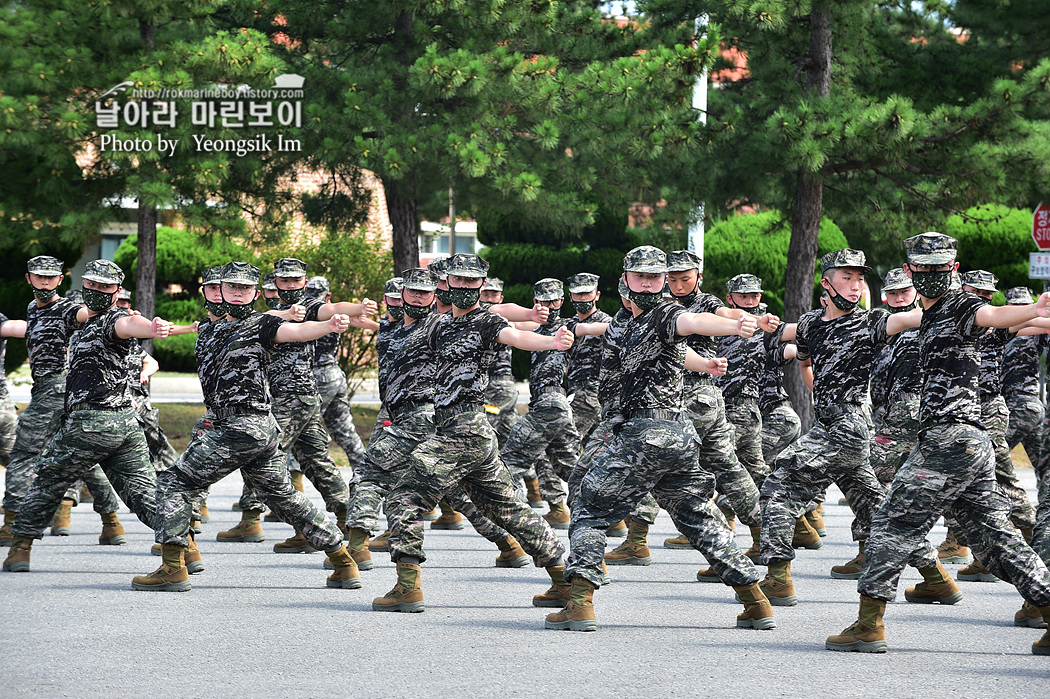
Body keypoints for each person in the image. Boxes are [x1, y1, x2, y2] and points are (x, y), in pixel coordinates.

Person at [826, 232, 1050, 656]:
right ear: (911, 270)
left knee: (891, 522)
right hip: (968, 442)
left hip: (951, 439)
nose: (931, 276)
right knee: (993, 538)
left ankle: (868, 625)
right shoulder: (927, 316)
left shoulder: (959, 304)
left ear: (954, 270)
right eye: (923, 269)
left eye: (940, 268)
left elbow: (995, 314)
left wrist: (1032, 309)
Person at [546, 245, 775, 632]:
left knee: (588, 506)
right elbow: (675, 353)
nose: (649, 284)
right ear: (625, 280)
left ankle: (579, 604)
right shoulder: (625, 322)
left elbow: (693, 323)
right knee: (696, 515)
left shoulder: (666, 312)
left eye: (656, 277)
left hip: (646, 434)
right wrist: (706, 364)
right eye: (642, 277)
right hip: (673, 437)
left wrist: (736, 324)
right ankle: (756, 602)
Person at [132, 261, 361, 592]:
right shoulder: (211, 329)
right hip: (249, 426)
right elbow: (194, 329)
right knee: (282, 496)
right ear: (219, 290)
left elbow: (296, 331)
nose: (237, 294)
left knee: (173, 482)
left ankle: (172, 568)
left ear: (257, 293)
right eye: (231, 287)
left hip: (244, 425)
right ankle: (343, 561)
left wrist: (328, 326)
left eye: (245, 288)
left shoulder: (262, 325)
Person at [371, 253, 571, 614]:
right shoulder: (438, 325)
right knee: (507, 509)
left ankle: (407, 587)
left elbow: (516, 335)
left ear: (481, 285)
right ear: (446, 283)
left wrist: (551, 342)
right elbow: (406, 359)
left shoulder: (486, 321)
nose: (464, 287)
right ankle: (563, 580)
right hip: (463, 430)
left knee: (403, 498)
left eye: (471, 282)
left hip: (465, 429)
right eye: (457, 281)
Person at [759, 249, 927, 604]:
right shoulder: (810, 324)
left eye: (860, 278)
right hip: (831, 423)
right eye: (847, 278)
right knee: (878, 508)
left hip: (848, 427)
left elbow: (910, 319)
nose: (855, 286)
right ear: (826, 283)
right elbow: (791, 344)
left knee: (777, 486)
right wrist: (760, 324)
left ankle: (777, 580)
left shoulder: (872, 322)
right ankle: (936, 576)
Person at [3, 260, 173, 573]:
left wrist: (151, 328)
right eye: (92, 285)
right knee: (143, 492)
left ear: (117, 291)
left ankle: (19, 548)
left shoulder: (113, 319)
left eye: (105, 287)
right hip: (123, 425)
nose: (96, 291)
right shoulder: (85, 321)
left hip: (91, 422)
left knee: (48, 479)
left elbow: (129, 325)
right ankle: (182, 555)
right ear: (84, 285)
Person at [226, 258, 375, 553]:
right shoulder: (271, 312)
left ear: (305, 283)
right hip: (301, 398)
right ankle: (348, 521)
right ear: (275, 284)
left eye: (296, 281)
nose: (291, 286)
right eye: (285, 281)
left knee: (261, 454)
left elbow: (332, 309)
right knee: (316, 461)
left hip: (294, 397)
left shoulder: (311, 306)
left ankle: (252, 519)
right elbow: (258, 320)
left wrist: (358, 309)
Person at [0, 256, 125, 547]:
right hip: (49, 389)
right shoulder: (33, 308)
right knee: (81, 458)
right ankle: (112, 522)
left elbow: (87, 314)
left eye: (51, 277)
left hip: (57, 386)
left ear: (61, 280)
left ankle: (10, 525)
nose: (45, 282)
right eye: (39, 277)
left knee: (23, 453)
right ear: (29, 278)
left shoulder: (68, 308)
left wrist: (113, 309)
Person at [661, 250, 775, 557]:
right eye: (672, 279)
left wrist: (753, 320)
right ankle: (764, 534)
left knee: (660, 465)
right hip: (707, 399)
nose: (679, 285)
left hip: (692, 397)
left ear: (698, 277)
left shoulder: (705, 302)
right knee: (728, 468)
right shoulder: (663, 304)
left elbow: (724, 314)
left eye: (685, 278)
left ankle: (639, 538)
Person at [501, 278, 581, 530]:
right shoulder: (533, 327)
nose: (550, 305)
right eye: (543, 301)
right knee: (570, 467)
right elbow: (504, 319)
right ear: (536, 302)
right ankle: (608, 514)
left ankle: (516, 526)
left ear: (562, 301)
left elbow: (592, 328)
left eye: (555, 300)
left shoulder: (569, 325)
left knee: (510, 461)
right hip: (549, 407)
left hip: (552, 403)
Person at [305, 275, 368, 470]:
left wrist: (359, 309)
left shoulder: (318, 312)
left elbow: (335, 308)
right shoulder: (334, 315)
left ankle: (294, 478)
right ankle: (367, 474)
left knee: (302, 428)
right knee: (345, 431)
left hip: (318, 376)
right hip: (334, 375)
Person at [480, 278, 521, 453]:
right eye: (485, 295)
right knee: (511, 442)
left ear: (501, 299)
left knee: (484, 435)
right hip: (493, 387)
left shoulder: (502, 321)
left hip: (498, 386)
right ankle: (528, 479)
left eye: (494, 295)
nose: (489, 299)